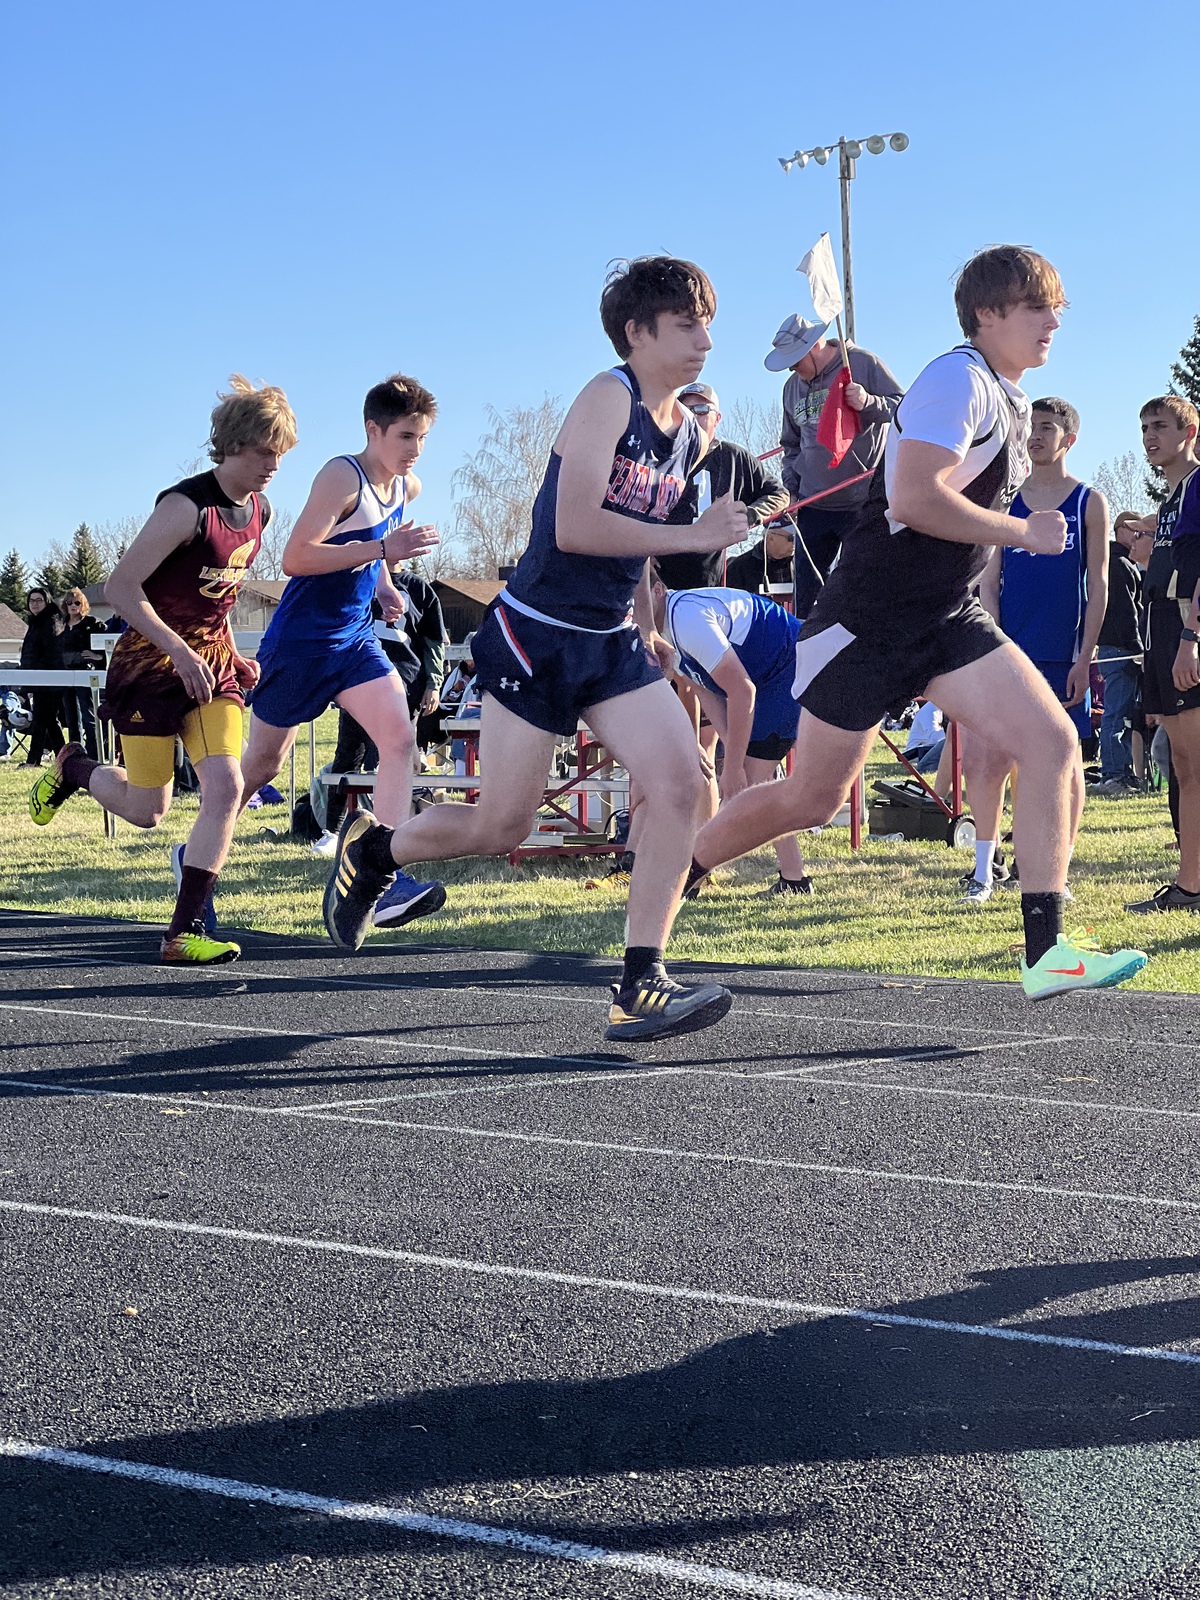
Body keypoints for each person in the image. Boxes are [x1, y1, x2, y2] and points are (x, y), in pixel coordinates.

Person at [685, 246, 1147, 999]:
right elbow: (911, 498)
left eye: (1055, 307)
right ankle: (679, 874)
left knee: (1054, 740)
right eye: (1036, 307)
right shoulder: (954, 380)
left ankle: (1047, 952)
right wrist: (1020, 533)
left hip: (946, 614)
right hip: (869, 617)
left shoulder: (1013, 399)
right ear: (987, 315)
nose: (1053, 321)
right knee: (814, 799)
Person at [322, 256, 749, 1041]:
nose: (704, 340)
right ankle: (376, 851)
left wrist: (651, 618)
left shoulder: (686, 434)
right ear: (636, 332)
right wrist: (694, 532)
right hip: (534, 635)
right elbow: (579, 526)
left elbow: (639, 547)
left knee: (682, 779)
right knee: (502, 827)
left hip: (612, 640)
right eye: (686, 324)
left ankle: (639, 981)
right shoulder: (604, 396)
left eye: (707, 323)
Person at [28, 376, 297, 965]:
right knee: (149, 810)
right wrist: (178, 649)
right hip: (152, 665)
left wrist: (229, 650)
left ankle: (181, 933)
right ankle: (74, 766)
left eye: (280, 452)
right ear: (228, 445)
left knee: (225, 786)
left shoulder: (260, 510)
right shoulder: (184, 507)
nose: (272, 464)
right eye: (261, 451)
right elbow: (121, 589)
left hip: (214, 669)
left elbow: (218, 596)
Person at [239, 374, 446, 930]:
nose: (416, 450)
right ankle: (199, 857)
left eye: (423, 438)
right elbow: (296, 558)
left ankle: (383, 874)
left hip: (354, 640)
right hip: (302, 643)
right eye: (405, 437)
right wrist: (383, 549)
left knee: (400, 740)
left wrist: (384, 584)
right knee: (261, 766)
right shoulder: (341, 475)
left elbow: (370, 550)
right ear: (372, 430)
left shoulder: (408, 487)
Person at [958, 396, 1109, 906]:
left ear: (1068, 438)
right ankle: (983, 870)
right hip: (1008, 651)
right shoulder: (1005, 500)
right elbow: (990, 583)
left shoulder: (1089, 501)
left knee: (1062, 761)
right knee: (984, 758)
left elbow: (1100, 584)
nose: (1036, 436)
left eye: (1047, 428)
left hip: (1062, 653)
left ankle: (1055, 873)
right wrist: (992, 645)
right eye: (1030, 427)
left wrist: (1084, 659)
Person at [654, 579, 811, 894]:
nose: (633, 610)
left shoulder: (686, 619)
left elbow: (742, 690)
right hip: (762, 678)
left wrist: (736, 767)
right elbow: (704, 689)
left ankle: (688, 878)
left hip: (787, 666)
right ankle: (794, 878)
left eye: (638, 597)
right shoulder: (663, 632)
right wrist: (731, 754)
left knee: (747, 784)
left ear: (658, 590)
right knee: (755, 783)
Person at [766, 313, 904, 618]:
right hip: (813, 504)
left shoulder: (862, 363)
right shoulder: (791, 389)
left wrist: (868, 402)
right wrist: (792, 486)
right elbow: (790, 442)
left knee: (863, 585)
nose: (793, 369)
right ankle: (804, 653)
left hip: (862, 501)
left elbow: (903, 409)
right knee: (806, 593)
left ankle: (863, 652)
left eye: (796, 360)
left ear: (815, 345)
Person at [1123, 396, 1200, 913]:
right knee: (1183, 767)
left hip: (1186, 634)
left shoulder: (1197, 486)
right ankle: (1189, 882)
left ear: (1188, 431)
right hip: (1160, 635)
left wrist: (1192, 638)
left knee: (1196, 766)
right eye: (1145, 427)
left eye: (1161, 426)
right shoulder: (1169, 501)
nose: (1151, 436)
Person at [655, 383, 788, 590]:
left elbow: (779, 495)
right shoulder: (659, 457)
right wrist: (642, 556)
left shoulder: (734, 458)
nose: (692, 416)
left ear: (716, 418)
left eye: (701, 410)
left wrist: (749, 515)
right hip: (659, 580)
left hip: (711, 582)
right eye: (684, 410)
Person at [1092, 510, 1152, 795]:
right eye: (1134, 531)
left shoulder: (1111, 564)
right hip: (1121, 649)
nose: (1137, 537)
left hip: (1113, 647)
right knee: (1116, 714)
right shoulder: (1120, 565)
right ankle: (1114, 774)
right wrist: (1139, 650)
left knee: (1123, 713)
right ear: (1120, 531)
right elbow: (1128, 614)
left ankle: (1122, 771)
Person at [19, 588, 65, 766]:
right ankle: (67, 758)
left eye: (39, 600)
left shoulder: (51, 621)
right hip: (38, 678)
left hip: (49, 679)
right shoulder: (36, 622)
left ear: (47, 602)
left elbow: (49, 654)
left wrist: (31, 680)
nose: (35, 604)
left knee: (40, 719)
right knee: (49, 721)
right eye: (32, 601)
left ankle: (33, 760)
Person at [57, 587, 105, 758]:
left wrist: (97, 656)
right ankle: (76, 756)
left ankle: (93, 755)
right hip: (65, 675)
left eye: (77, 602)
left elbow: (108, 645)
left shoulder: (93, 624)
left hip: (86, 674)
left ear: (83, 604)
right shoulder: (60, 625)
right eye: (69, 603)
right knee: (71, 720)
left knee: (89, 718)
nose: (73, 606)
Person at [725, 523, 798, 601]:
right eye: (791, 538)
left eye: (798, 538)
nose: (795, 543)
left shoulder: (804, 564)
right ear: (771, 538)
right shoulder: (739, 567)